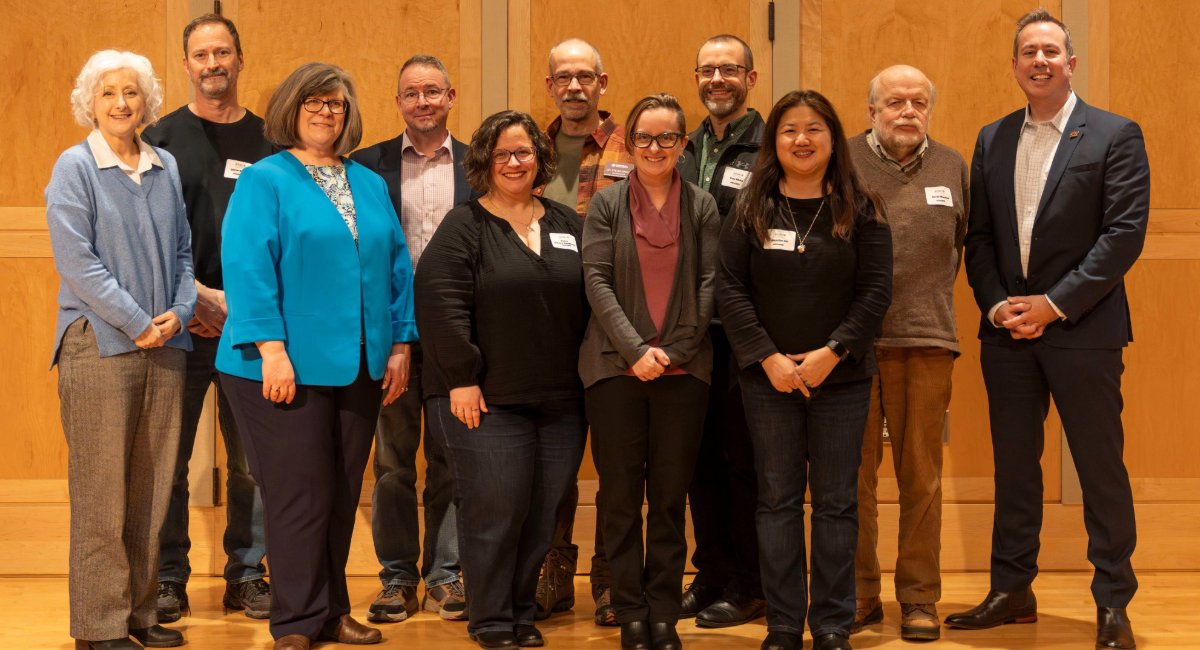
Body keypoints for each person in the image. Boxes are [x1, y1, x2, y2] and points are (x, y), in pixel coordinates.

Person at [946, 10, 1148, 650]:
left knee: (1099, 468)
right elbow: (978, 240)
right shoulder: (992, 137)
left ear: (1071, 63)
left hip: (1084, 331)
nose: (1039, 61)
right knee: (1014, 467)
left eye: (1051, 51)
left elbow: (1123, 237)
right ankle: (1012, 590)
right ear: (1014, 65)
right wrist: (998, 304)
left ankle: (1113, 602)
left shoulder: (1115, 134)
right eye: (1028, 51)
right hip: (1008, 335)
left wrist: (1053, 305)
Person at [216, 62, 416, 650]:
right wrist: (272, 350)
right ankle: (297, 621)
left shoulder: (369, 183)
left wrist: (401, 342)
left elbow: (396, 269)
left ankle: (331, 611)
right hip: (278, 367)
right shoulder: (264, 179)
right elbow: (248, 267)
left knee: (340, 489)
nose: (326, 111)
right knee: (300, 493)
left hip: (359, 363)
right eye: (314, 101)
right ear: (291, 109)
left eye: (335, 102)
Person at [717, 90, 892, 650]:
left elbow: (876, 292)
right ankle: (786, 623)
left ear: (833, 138)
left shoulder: (861, 207)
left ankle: (834, 623)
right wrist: (768, 357)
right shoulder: (749, 208)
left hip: (841, 378)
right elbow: (730, 289)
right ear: (774, 141)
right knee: (777, 501)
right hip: (767, 380)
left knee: (838, 503)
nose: (801, 139)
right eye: (789, 129)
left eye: (814, 128)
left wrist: (831, 353)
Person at [416, 110, 588, 650]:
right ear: (484, 163)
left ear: (540, 157)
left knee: (542, 513)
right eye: (502, 154)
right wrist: (462, 378)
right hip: (485, 399)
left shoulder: (566, 224)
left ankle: (520, 610)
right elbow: (440, 305)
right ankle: (490, 618)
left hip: (561, 398)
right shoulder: (464, 226)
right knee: (496, 509)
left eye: (524, 152)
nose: (514, 163)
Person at [48, 49, 195, 650]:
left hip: (165, 345)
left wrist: (180, 312)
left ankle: (138, 615)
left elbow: (184, 253)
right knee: (101, 494)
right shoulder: (75, 167)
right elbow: (77, 263)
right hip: (101, 347)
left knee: (152, 488)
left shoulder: (165, 166)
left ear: (146, 102)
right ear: (91, 101)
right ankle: (98, 626)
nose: (120, 103)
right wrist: (138, 322)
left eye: (131, 92)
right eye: (108, 93)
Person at [141, 13, 274, 622]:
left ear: (240, 59)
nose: (213, 64)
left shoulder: (273, 140)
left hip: (253, 326)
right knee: (167, 459)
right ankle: (167, 577)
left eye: (223, 52)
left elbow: (283, 238)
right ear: (187, 63)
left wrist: (243, 308)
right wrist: (194, 299)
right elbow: (148, 238)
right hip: (180, 324)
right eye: (201, 54)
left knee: (253, 461)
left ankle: (248, 574)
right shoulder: (159, 139)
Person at [581, 93, 718, 650]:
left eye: (667, 138)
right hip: (616, 370)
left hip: (685, 374)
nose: (654, 148)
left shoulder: (703, 206)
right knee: (618, 496)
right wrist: (637, 349)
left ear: (683, 144)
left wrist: (678, 349)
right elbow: (595, 281)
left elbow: (711, 283)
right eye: (644, 138)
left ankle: (663, 610)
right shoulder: (607, 204)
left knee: (668, 497)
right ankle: (628, 607)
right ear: (630, 143)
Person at [351, 53, 476, 624]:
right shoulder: (367, 167)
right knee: (395, 462)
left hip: (457, 334)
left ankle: (446, 575)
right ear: (397, 102)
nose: (422, 101)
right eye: (411, 93)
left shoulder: (479, 167)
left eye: (433, 91)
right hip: (389, 336)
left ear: (451, 97)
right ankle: (397, 577)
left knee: (452, 459)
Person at [848, 64, 967, 642]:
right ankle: (859, 593)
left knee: (922, 478)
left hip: (927, 341)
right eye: (895, 102)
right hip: (849, 346)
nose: (908, 112)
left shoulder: (952, 166)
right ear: (871, 110)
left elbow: (966, 247)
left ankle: (920, 598)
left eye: (919, 102)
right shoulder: (841, 161)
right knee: (851, 480)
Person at [535, 37, 632, 626]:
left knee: (618, 458)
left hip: (617, 323)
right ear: (550, 86)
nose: (574, 87)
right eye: (563, 77)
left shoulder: (633, 143)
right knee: (554, 457)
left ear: (602, 82)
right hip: (547, 326)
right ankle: (553, 574)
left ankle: (612, 577)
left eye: (584, 77)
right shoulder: (529, 146)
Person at [677, 33, 766, 628]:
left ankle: (750, 584)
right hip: (689, 329)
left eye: (729, 70)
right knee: (698, 460)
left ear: (750, 78)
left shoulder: (769, 146)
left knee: (743, 461)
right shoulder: (684, 148)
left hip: (746, 329)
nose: (717, 80)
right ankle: (708, 574)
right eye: (707, 70)